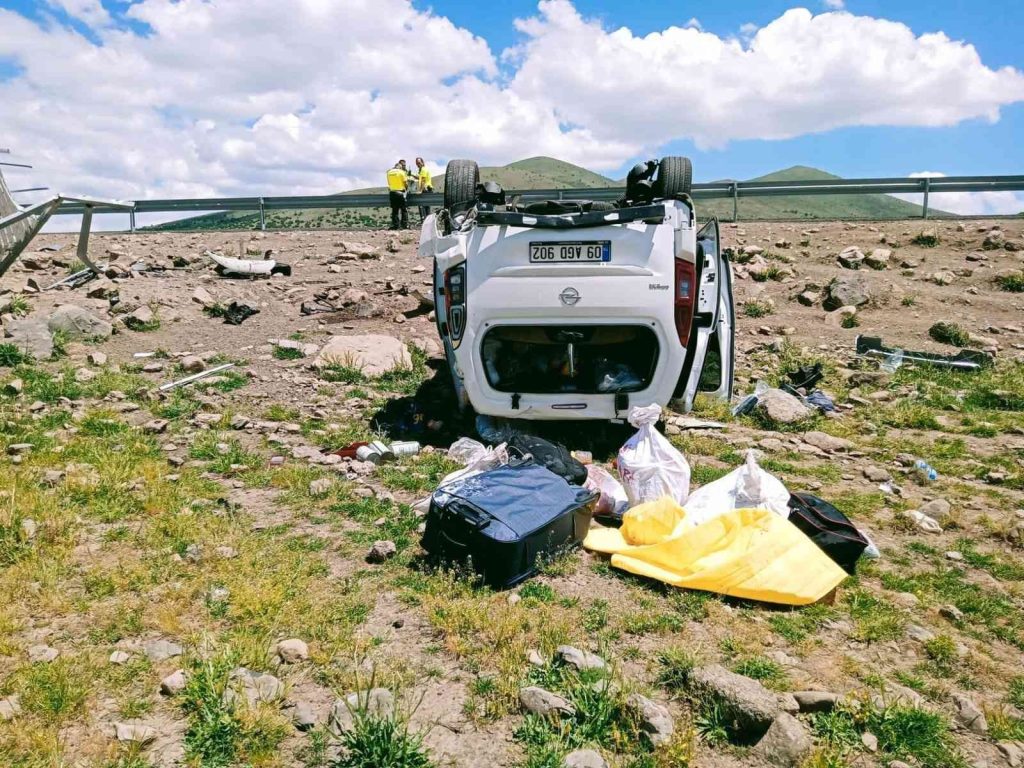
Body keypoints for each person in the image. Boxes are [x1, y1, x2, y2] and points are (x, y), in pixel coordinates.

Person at [386, 159, 415, 229]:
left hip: (392, 193)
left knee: (395, 210)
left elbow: (389, 183)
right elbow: (405, 182)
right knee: (403, 209)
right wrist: (406, 188)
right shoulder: (401, 172)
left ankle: (396, 225)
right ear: (400, 167)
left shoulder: (389, 172)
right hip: (400, 192)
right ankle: (404, 225)